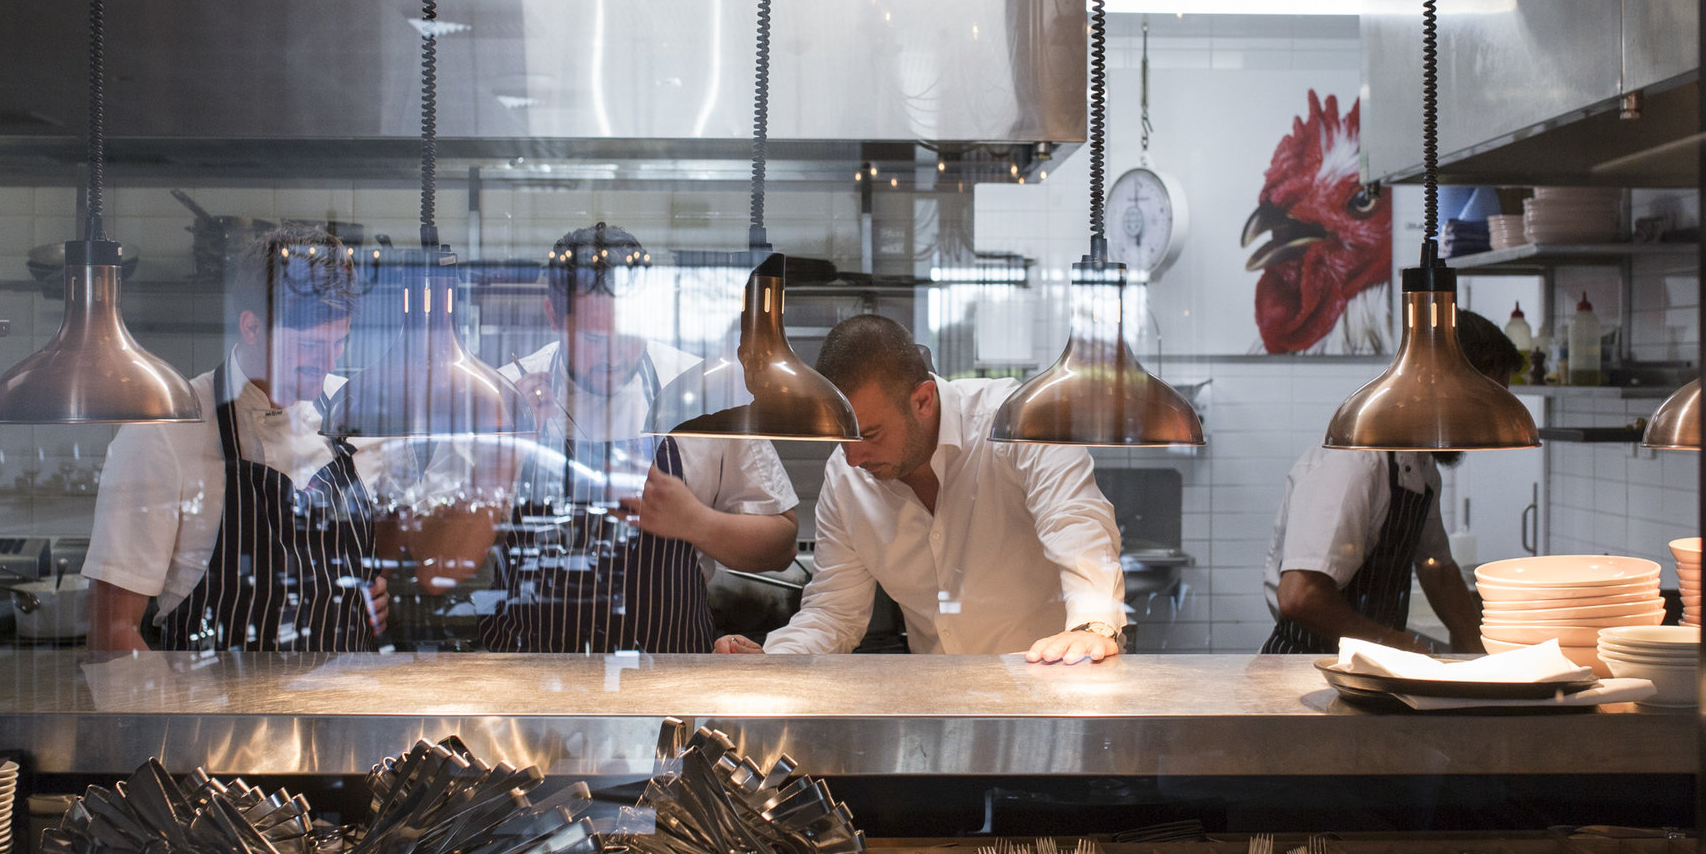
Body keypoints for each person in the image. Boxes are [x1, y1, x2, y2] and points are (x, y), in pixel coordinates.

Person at [84, 226, 497, 653]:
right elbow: (111, 628)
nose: (327, 362)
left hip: (345, 706)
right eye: (308, 344)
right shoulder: (164, 433)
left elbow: (386, 550)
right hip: (216, 710)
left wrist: (371, 586)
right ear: (250, 327)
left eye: (339, 342)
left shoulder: (359, 414)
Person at [717, 313, 1128, 663]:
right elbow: (833, 613)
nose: (853, 458)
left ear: (924, 400)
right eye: (841, 438)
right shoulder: (845, 480)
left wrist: (1093, 626)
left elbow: (1077, 524)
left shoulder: (1018, 422)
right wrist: (773, 661)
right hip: (941, 709)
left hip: (1058, 684)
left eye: (870, 434)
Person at [468, 222, 799, 653]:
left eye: (629, 334)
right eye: (591, 338)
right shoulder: (506, 394)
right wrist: (508, 452)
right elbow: (447, 560)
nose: (613, 357)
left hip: (669, 679)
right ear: (553, 317)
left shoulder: (702, 391)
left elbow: (780, 545)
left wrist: (696, 522)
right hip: (528, 687)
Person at [1259, 307, 1523, 656]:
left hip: (1367, 667)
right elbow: (1300, 596)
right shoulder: (1357, 463)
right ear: (1444, 387)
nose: (1486, 428)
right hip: (1306, 668)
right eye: (1484, 408)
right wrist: (1388, 641)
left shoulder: (1419, 466)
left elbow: (1438, 571)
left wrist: (1482, 657)